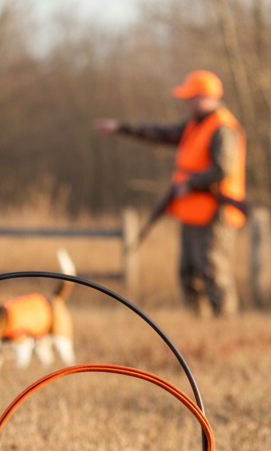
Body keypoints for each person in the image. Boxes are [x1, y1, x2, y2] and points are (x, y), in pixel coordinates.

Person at [94, 70, 247, 316]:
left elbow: (223, 169)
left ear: (206, 96)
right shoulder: (195, 125)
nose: (186, 102)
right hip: (192, 211)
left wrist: (191, 184)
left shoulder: (223, 128)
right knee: (188, 273)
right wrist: (120, 128)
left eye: (191, 97)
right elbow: (160, 133)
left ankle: (224, 328)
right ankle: (199, 324)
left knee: (214, 273)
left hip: (216, 213)